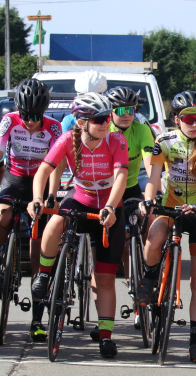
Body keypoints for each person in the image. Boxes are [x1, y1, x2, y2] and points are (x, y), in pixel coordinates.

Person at [27, 93, 128, 358]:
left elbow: (120, 177)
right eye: (99, 119)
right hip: (81, 199)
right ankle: (45, 274)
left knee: (105, 279)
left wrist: (111, 207)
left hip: (109, 204)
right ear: (82, 122)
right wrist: (37, 198)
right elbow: (43, 171)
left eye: (107, 118)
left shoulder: (116, 139)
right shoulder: (67, 140)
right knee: (56, 220)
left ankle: (105, 335)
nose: (106, 123)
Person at [137, 91, 196, 363]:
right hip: (171, 206)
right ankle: (150, 277)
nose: (195, 123)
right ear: (177, 119)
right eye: (189, 118)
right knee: (154, 235)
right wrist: (148, 200)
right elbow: (153, 179)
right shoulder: (163, 142)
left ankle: (195, 343)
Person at [0, 79, 64, 341]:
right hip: (14, 179)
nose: (30, 121)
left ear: (45, 112)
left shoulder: (55, 128)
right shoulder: (9, 121)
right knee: (2, 213)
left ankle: (37, 319)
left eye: (36, 116)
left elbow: (57, 167)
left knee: (38, 253)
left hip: (41, 182)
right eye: (26, 115)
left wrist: (50, 196)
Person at [105, 85, 155, 333]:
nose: (126, 114)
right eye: (121, 109)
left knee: (151, 217)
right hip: (107, 190)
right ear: (111, 111)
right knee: (124, 242)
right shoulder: (106, 130)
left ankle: (147, 265)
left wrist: (150, 196)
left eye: (131, 109)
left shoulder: (141, 129)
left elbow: (149, 160)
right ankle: (129, 277)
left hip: (133, 187)